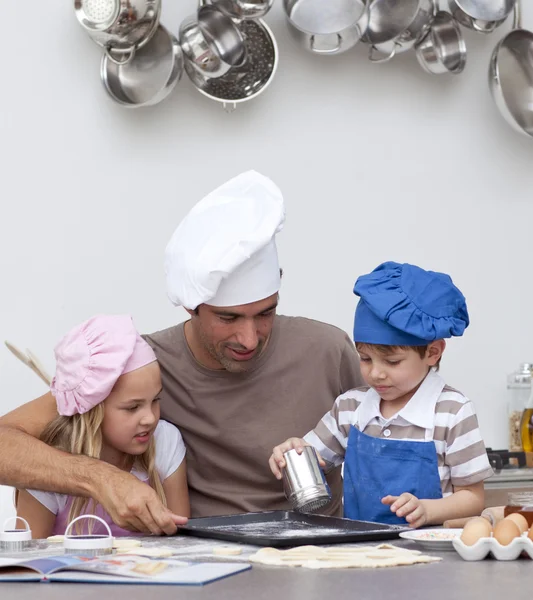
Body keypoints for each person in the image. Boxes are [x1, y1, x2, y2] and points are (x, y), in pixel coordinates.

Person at [0, 171, 363, 534]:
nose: (250, 338)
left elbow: (407, 426)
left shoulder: (327, 351)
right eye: (228, 317)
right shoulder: (140, 366)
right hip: (206, 564)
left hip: (319, 558)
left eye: (265, 313)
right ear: (191, 306)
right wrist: (100, 478)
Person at [270, 262, 494, 528]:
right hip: (360, 550)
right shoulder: (350, 408)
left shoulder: (452, 412)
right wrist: (293, 452)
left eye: (392, 362)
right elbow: (313, 459)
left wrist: (427, 510)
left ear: (433, 352)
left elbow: (473, 498)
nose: (376, 373)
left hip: (432, 553)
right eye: (365, 358)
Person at [16, 315, 189, 539]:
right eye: (132, 407)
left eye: (155, 400)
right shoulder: (46, 465)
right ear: (91, 410)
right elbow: (27, 561)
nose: (149, 418)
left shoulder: (165, 441)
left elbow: (183, 543)